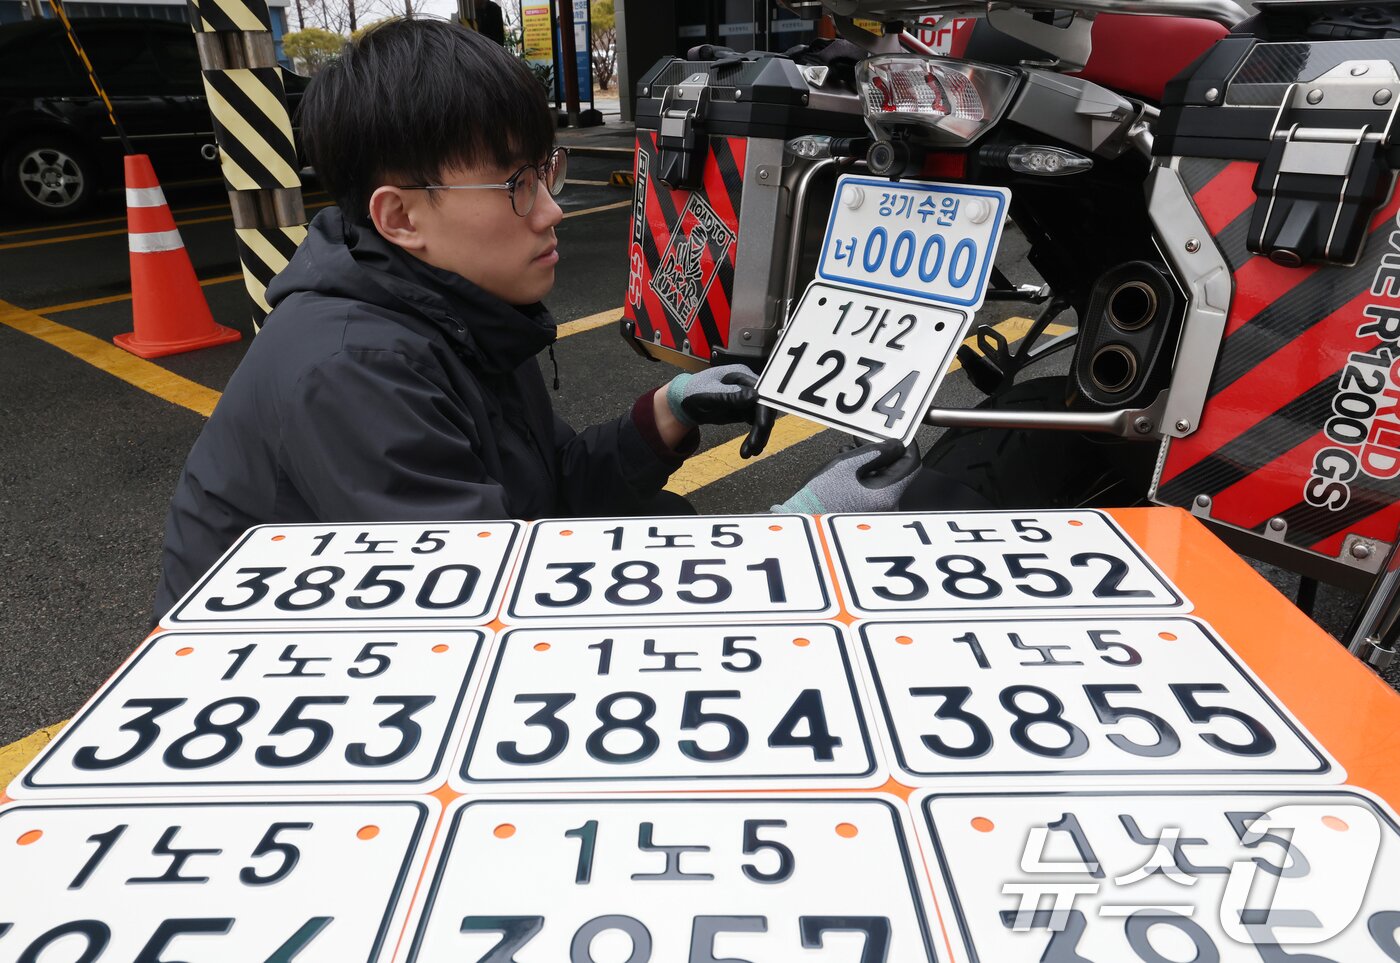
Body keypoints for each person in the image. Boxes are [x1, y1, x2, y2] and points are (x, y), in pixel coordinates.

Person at [150, 18, 918, 622]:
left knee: (664, 517)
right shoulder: (353, 368)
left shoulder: (456, 305)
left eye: (546, 169)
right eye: (516, 183)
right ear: (401, 217)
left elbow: (550, 485)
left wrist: (671, 410)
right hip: (270, 693)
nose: (552, 210)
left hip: (394, 625)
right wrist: (789, 539)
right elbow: (488, 604)